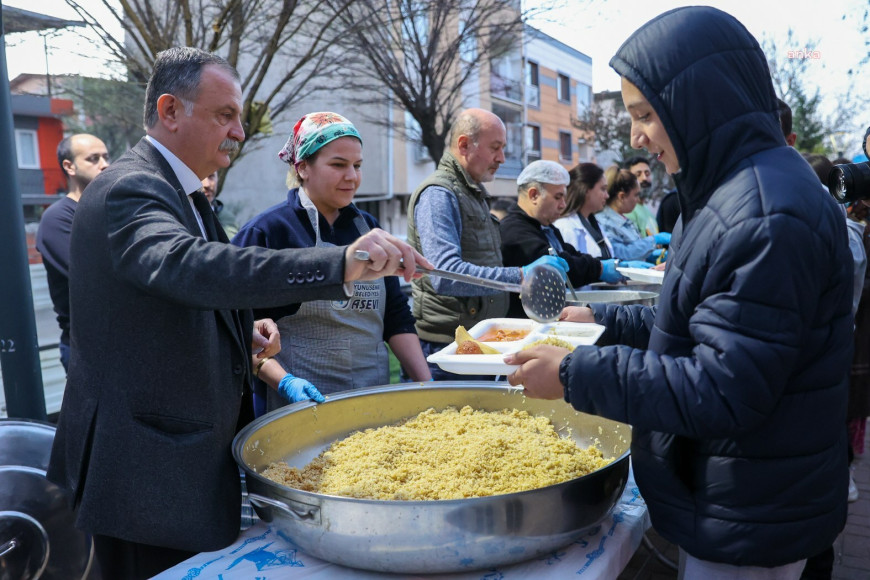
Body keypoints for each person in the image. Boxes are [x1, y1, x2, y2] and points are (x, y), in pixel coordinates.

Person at [46, 47, 429, 580]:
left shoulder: (189, 196)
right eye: (224, 115)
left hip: (183, 467)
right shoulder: (129, 187)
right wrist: (340, 262)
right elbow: (188, 265)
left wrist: (240, 330)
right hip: (146, 476)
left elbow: (172, 298)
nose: (239, 132)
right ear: (170, 110)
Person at [505, 7, 853, 578]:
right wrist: (599, 320)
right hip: (735, 490)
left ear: (700, 101)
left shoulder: (767, 213)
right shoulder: (725, 193)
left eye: (646, 115)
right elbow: (692, 321)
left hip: (752, 508)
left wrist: (575, 375)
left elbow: (724, 388)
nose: (637, 137)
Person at [233, 111, 431, 413]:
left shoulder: (369, 228)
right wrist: (285, 383)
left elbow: (395, 316)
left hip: (372, 398)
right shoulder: (268, 231)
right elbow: (240, 329)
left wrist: (427, 386)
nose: (351, 176)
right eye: (338, 165)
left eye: (357, 165)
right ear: (302, 168)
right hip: (297, 406)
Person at [406, 107, 566, 379]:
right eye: (495, 148)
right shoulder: (439, 194)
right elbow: (444, 274)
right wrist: (521, 275)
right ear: (464, 145)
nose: (502, 158)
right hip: (450, 350)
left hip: (476, 341)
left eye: (503, 148)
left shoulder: (471, 191)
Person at [499, 160, 641, 316]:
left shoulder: (545, 226)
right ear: (534, 195)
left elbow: (570, 253)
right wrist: (600, 269)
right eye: (558, 197)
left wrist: (607, 264)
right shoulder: (514, 230)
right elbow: (563, 264)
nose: (562, 205)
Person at [35, 134, 110, 372]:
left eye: (106, 157)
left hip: (124, 344)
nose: (105, 164)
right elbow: (98, 276)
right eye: (93, 158)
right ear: (70, 166)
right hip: (88, 350)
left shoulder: (111, 210)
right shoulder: (57, 218)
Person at [596, 165, 671, 261]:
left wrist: (652, 255)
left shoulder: (624, 220)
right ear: (622, 197)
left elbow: (635, 249)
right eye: (636, 195)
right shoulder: (604, 223)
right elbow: (620, 253)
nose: (637, 199)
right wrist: (654, 240)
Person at [553, 162, 614, 259]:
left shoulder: (592, 222)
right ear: (585, 190)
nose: (607, 195)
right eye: (603, 189)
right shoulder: (566, 227)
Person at [623, 155, 660, 236]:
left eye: (647, 174)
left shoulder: (647, 210)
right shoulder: (627, 211)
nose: (644, 178)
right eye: (638, 175)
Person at [202, 170, 239, 237]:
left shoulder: (226, 218)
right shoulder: (181, 215)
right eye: (200, 177)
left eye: (211, 176)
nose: (207, 184)